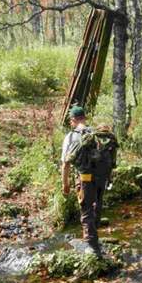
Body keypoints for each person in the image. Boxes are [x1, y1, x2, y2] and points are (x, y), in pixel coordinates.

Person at [61, 106, 117, 255]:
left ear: (72, 120)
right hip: (101, 177)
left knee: (85, 208)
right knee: (97, 204)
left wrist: (65, 184)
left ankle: (92, 246)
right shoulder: (97, 134)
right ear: (84, 118)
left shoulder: (71, 137)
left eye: (71, 121)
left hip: (85, 178)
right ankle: (95, 232)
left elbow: (66, 163)